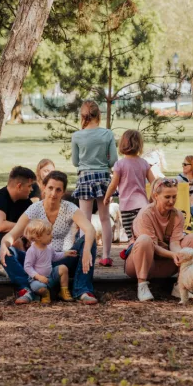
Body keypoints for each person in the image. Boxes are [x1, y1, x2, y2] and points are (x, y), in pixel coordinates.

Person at [0, 170, 99, 305]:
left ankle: (82, 290)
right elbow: (12, 234)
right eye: (50, 188)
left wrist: (86, 250)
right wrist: (4, 244)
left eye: (58, 190)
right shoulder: (34, 209)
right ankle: (26, 290)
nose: (53, 193)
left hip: (62, 259)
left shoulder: (69, 208)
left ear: (63, 192)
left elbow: (90, 229)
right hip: (37, 262)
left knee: (88, 242)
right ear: (43, 188)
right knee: (4, 250)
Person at [124, 177, 193, 302]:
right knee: (145, 240)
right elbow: (152, 246)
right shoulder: (146, 214)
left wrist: (179, 254)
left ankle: (182, 285)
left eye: (174, 197)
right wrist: (173, 254)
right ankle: (142, 285)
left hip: (165, 264)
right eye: (167, 197)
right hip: (140, 263)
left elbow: (174, 242)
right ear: (156, 196)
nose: (171, 201)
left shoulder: (177, 215)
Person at [71, 101, 118, 265]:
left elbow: (75, 162)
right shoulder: (107, 134)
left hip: (85, 178)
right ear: (99, 115)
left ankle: (87, 255)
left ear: (82, 116)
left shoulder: (77, 136)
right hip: (104, 178)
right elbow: (113, 160)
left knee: (85, 220)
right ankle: (106, 256)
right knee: (105, 218)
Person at [103, 129, 156, 239]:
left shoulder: (119, 165)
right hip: (143, 206)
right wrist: (151, 199)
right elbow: (155, 183)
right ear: (139, 145)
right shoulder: (144, 163)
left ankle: (134, 254)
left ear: (123, 144)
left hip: (127, 207)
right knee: (143, 234)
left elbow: (113, 185)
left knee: (132, 236)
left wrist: (107, 197)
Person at [21, 219, 77, 303]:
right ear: (38, 237)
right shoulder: (32, 250)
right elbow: (27, 267)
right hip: (37, 280)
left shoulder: (49, 247)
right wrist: (39, 277)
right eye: (48, 234)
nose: (52, 236)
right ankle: (45, 294)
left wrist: (66, 253)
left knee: (63, 268)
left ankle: (63, 291)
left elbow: (54, 257)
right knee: (40, 288)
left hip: (50, 276)